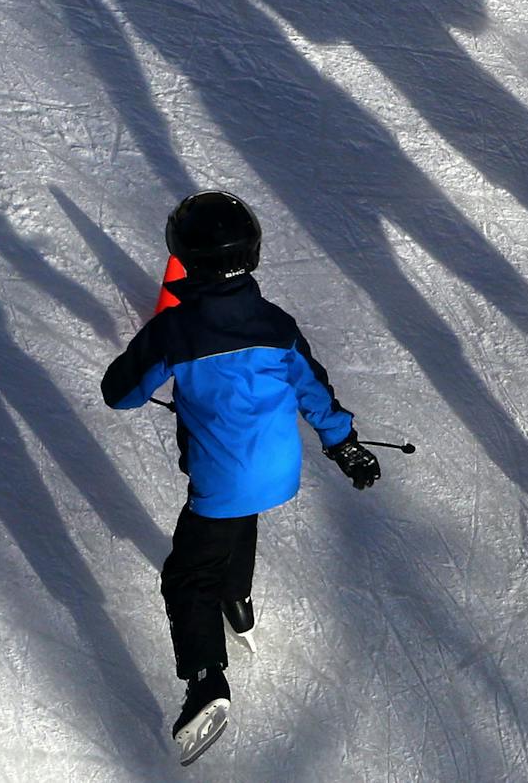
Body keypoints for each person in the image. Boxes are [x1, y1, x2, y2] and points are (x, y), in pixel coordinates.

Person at [101, 192, 382, 764]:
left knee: (186, 576)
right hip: (279, 473)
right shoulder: (276, 323)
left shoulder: (176, 331)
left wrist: (163, 358)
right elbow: (314, 391)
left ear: (185, 258)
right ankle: (239, 601)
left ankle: (206, 679)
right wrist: (346, 448)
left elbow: (120, 395)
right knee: (239, 518)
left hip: (223, 478)